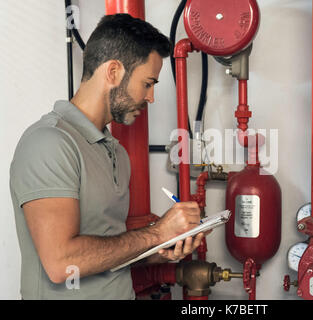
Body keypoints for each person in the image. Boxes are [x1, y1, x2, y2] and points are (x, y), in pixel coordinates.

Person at [9, 13, 204, 300]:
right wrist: (156, 233)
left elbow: (106, 252)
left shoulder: (116, 153)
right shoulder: (49, 143)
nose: (150, 98)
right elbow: (62, 263)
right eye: (148, 83)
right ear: (113, 72)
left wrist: (159, 249)